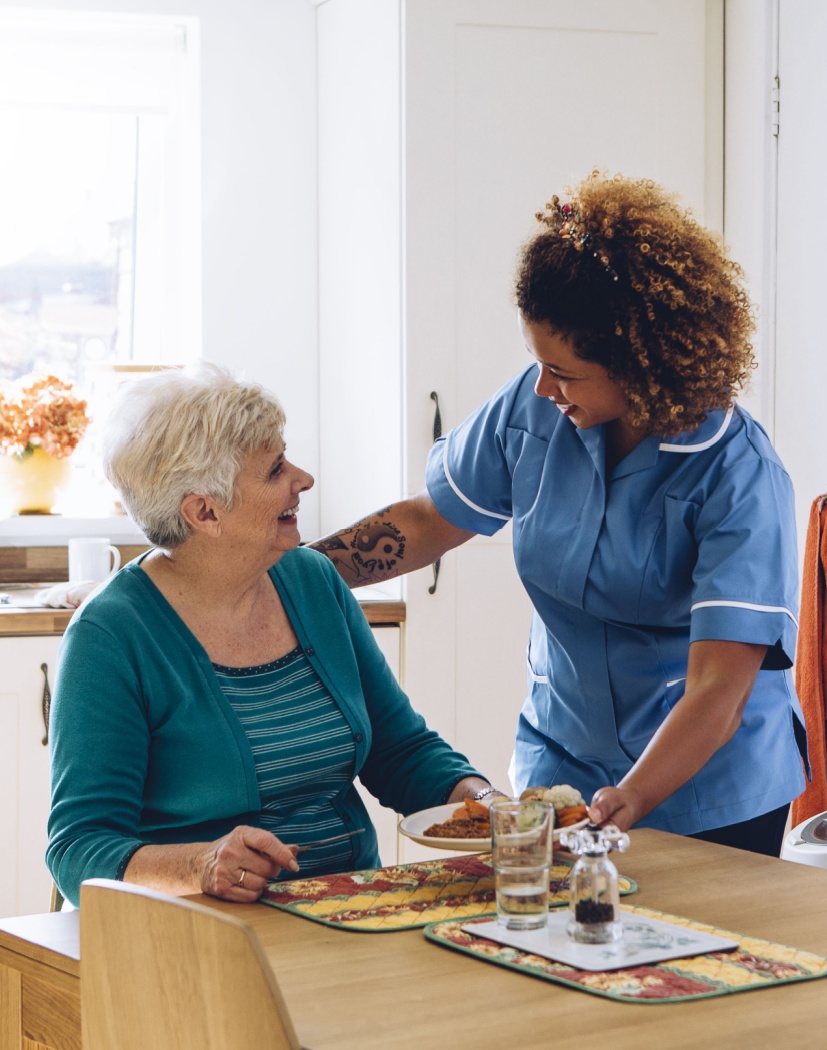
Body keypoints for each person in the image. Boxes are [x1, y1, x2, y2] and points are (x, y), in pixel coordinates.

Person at [312, 172, 806, 856]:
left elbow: (720, 687)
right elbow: (429, 521)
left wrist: (634, 795)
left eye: (566, 372)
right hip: (563, 766)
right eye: (537, 362)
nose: (544, 386)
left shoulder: (737, 474)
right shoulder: (536, 405)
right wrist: (294, 572)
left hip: (706, 791)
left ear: (641, 363)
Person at [46, 365, 494, 906]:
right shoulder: (110, 635)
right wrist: (202, 864)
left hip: (348, 910)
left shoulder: (312, 581)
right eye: (276, 469)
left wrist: (485, 802)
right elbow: (79, 847)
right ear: (205, 512)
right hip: (200, 934)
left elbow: (400, 751)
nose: (302, 480)